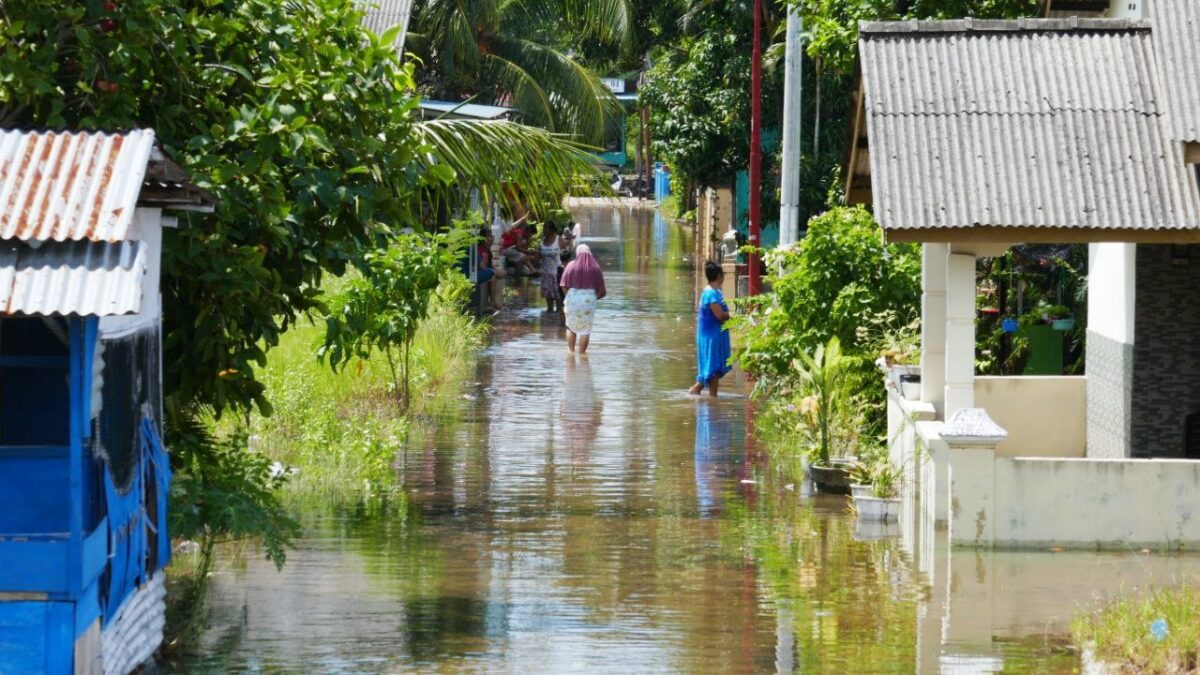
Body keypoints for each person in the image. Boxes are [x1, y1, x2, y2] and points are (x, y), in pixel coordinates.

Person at [689, 261, 732, 397]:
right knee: (713, 367)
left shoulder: (715, 292)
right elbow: (719, 315)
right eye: (723, 275)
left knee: (715, 365)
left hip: (714, 334)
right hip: (711, 336)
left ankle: (696, 390)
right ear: (719, 276)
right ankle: (713, 400)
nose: (723, 278)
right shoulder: (711, 294)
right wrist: (732, 315)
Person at [560, 244, 606, 353]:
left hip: (572, 299)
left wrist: (568, 296)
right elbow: (602, 290)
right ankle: (582, 355)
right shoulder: (596, 267)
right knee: (586, 330)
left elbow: (563, 284)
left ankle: (571, 352)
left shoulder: (571, 265)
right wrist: (593, 298)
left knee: (571, 327)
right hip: (589, 300)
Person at [478, 228, 506, 311]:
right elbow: (482, 266)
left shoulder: (487, 249)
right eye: (489, 235)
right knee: (493, 276)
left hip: (485, 269)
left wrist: (497, 269)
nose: (491, 238)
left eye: (491, 235)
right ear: (482, 237)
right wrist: (494, 271)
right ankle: (493, 302)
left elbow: (490, 264)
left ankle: (498, 301)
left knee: (500, 273)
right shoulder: (480, 249)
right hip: (480, 271)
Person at [539, 223, 563, 312]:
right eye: (543, 229)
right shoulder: (542, 242)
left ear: (552, 230)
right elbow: (538, 256)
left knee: (558, 296)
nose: (544, 231)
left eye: (546, 229)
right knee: (548, 297)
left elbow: (565, 255)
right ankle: (549, 318)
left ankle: (559, 320)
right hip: (546, 273)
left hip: (557, 273)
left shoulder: (559, 240)